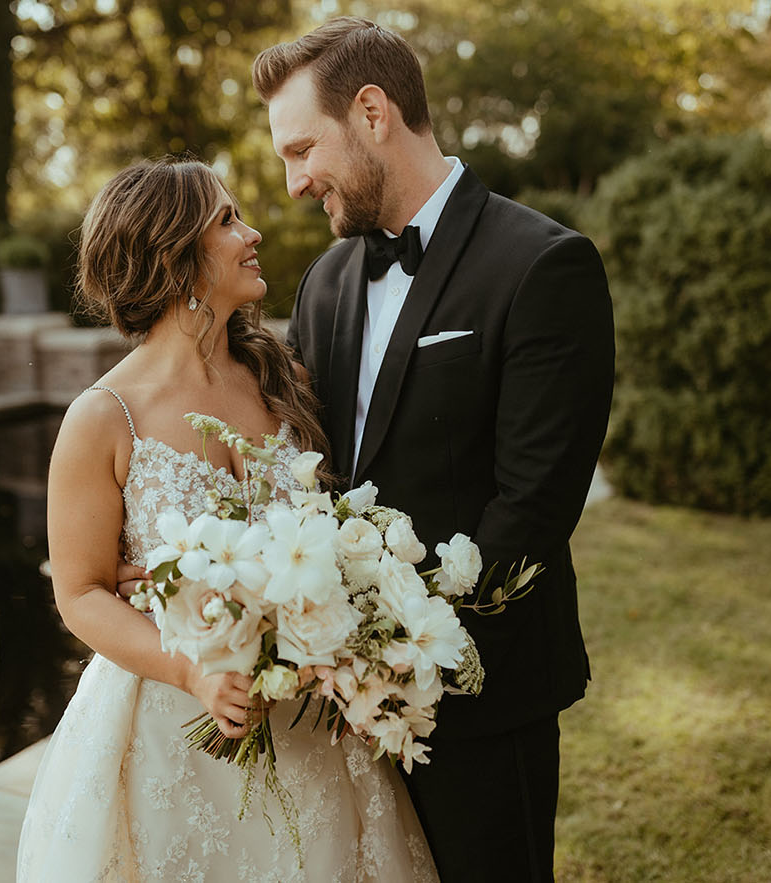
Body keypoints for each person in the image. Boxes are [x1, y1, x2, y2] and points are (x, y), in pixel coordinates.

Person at [251, 18, 615, 882]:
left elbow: (532, 508)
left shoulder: (543, 265)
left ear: (372, 112)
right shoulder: (326, 280)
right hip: (342, 709)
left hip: (485, 698)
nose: (296, 183)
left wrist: (400, 657)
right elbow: (314, 472)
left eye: (302, 149)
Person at [16, 158, 436, 882]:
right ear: (173, 257)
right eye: (226, 220)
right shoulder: (101, 418)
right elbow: (80, 593)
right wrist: (196, 671)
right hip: (172, 724)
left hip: (310, 719)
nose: (253, 231)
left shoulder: (283, 379)